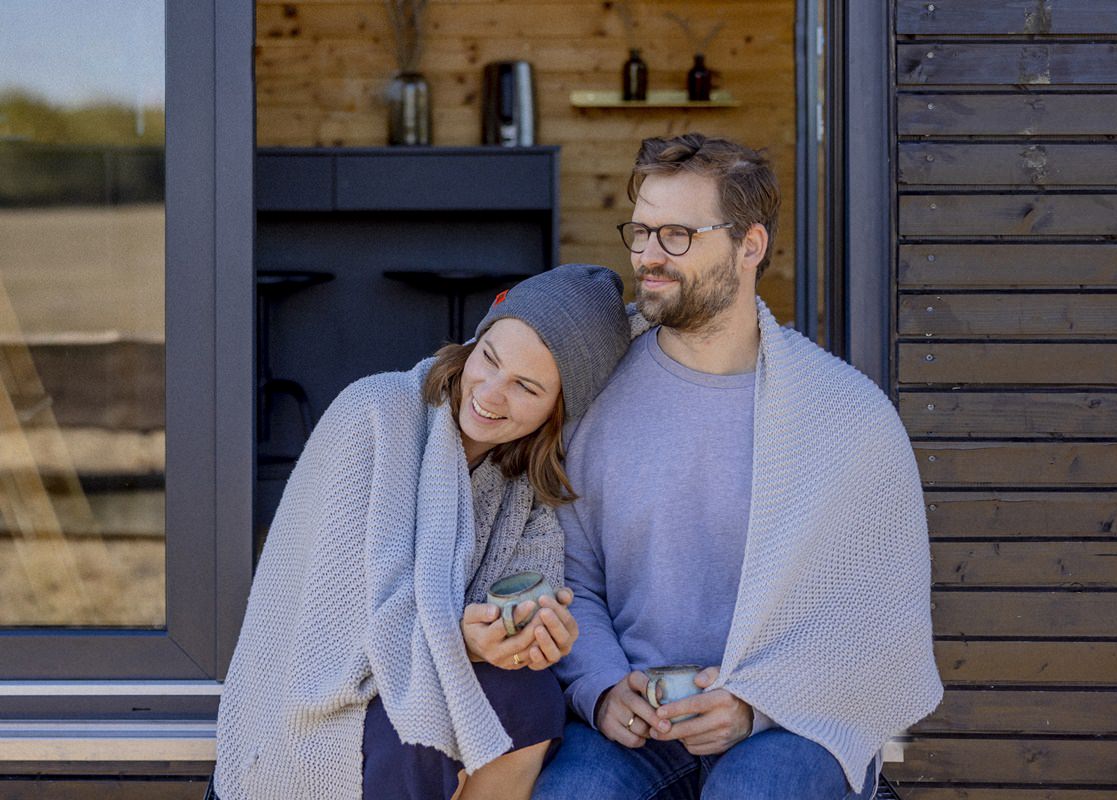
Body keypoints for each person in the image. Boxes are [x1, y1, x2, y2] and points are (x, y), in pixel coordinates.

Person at [532, 134, 943, 800]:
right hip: (633, 719)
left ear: (749, 246)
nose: (646, 257)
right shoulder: (594, 390)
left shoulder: (844, 416)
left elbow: (874, 623)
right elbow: (566, 569)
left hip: (787, 722)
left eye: (675, 235)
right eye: (639, 232)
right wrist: (602, 687)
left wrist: (756, 705)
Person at [213, 264, 630, 800]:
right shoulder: (375, 415)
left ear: (558, 409)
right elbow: (335, 625)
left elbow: (527, 590)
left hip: (422, 685)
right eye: (490, 358)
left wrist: (534, 636)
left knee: (530, 694)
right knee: (421, 735)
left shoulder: (523, 485)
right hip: (328, 699)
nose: (491, 393)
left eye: (526, 387)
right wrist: (462, 643)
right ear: (475, 340)